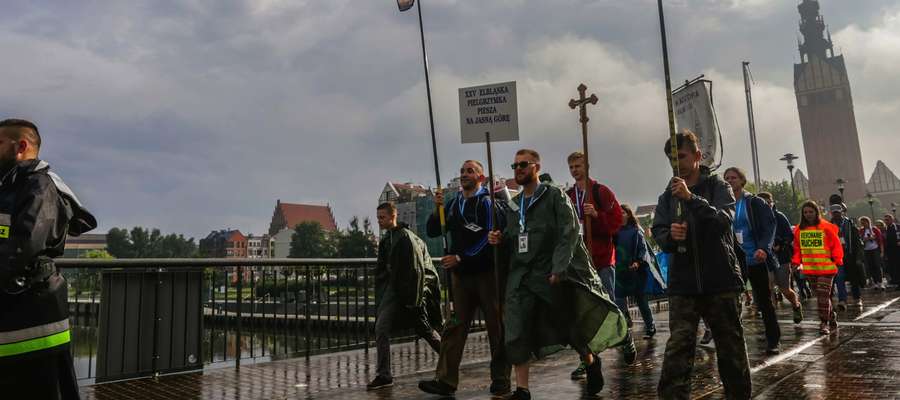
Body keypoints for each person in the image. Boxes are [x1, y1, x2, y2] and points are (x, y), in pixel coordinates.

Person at [487, 149, 629, 399]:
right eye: (514, 165)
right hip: (520, 278)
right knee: (516, 329)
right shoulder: (514, 204)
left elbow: (569, 232)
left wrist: (559, 267)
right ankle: (522, 389)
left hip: (550, 273)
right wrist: (498, 238)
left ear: (536, 167)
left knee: (568, 326)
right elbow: (512, 236)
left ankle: (589, 359)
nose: (518, 169)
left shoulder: (554, 196)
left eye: (523, 164)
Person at [0, 119, 97, 400]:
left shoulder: (40, 186)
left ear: (20, 146)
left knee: (44, 386)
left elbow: (24, 245)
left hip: (33, 313)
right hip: (14, 308)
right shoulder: (11, 186)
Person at [652, 131, 751, 399]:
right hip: (683, 283)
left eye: (681, 156)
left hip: (719, 280)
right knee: (678, 350)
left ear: (697, 156)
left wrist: (691, 199)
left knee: (730, 347)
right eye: (671, 158)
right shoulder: (667, 196)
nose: (677, 163)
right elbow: (657, 231)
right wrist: (670, 236)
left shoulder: (719, 187)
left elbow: (723, 221)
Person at [418, 160, 511, 397]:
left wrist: (461, 258)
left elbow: (488, 240)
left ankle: (501, 378)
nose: (464, 174)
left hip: (486, 276)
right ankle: (446, 380)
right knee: (455, 327)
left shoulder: (488, 203)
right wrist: (436, 209)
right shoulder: (452, 204)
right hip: (461, 279)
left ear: (481, 178)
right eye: (461, 171)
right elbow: (433, 230)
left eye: (470, 171)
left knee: (496, 327)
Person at [564, 151, 635, 380]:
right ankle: (588, 359)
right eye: (572, 167)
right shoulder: (568, 196)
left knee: (610, 305)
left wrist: (596, 215)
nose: (575, 170)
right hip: (581, 263)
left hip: (603, 259)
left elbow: (616, 223)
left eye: (578, 165)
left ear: (587, 165)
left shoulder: (601, 192)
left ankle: (625, 339)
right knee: (581, 314)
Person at [367, 202, 442, 390]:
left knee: (424, 329)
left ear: (393, 216)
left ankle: (451, 358)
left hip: (410, 293)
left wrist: (414, 300)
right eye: (377, 218)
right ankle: (384, 375)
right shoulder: (387, 240)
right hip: (395, 290)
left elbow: (415, 272)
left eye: (382, 217)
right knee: (381, 328)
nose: (379, 221)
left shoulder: (406, 239)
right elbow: (383, 269)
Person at [722, 167, 782, 354]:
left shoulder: (754, 202)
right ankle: (733, 343)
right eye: (727, 178)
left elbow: (769, 225)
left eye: (733, 177)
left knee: (764, 300)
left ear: (742, 180)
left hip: (755, 258)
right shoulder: (723, 205)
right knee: (729, 302)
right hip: (734, 261)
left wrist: (764, 248)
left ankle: (773, 340)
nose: (730, 181)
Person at [792, 201, 843, 334]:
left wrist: (838, 260)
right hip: (810, 269)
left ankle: (823, 323)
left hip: (827, 268)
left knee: (822, 296)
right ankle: (831, 317)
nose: (808, 214)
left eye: (811, 212)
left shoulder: (826, 227)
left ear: (816, 212)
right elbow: (798, 249)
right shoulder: (798, 229)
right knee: (821, 296)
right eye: (805, 212)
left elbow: (836, 245)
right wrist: (796, 262)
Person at [757, 191, 805, 323]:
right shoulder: (757, 219)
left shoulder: (779, 216)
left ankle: (796, 305)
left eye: (767, 202)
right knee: (768, 287)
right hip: (765, 257)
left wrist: (781, 244)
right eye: (762, 203)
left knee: (784, 289)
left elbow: (790, 236)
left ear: (772, 203)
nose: (765, 205)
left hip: (781, 258)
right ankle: (771, 316)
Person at [614, 204, 656, 338]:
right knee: (620, 300)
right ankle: (625, 327)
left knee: (641, 301)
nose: (621, 215)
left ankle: (650, 327)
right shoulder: (615, 232)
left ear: (629, 214)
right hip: (621, 272)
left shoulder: (636, 231)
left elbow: (643, 250)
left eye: (623, 212)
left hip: (636, 272)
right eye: (619, 213)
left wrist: (638, 262)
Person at [829, 202, 866, 309]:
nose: (836, 215)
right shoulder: (829, 225)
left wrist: (859, 257)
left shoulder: (850, 223)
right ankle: (842, 300)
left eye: (838, 212)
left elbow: (857, 241)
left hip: (850, 255)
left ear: (841, 212)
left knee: (854, 278)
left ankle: (857, 298)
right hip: (837, 257)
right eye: (834, 213)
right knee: (839, 278)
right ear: (831, 213)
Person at [859, 216, 886, 290]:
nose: (863, 224)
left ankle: (881, 282)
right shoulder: (861, 230)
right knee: (870, 267)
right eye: (862, 223)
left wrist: (882, 251)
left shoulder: (875, 229)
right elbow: (860, 240)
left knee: (877, 266)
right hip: (866, 250)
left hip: (875, 249)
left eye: (864, 222)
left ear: (868, 222)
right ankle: (875, 283)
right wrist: (864, 239)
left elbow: (880, 241)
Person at [883, 214, 900, 289]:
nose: (886, 221)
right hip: (890, 251)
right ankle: (896, 281)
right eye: (885, 220)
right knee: (893, 267)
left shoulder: (897, 227)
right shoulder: (886, 229)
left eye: (887, 220)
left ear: (892, 220)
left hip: (897, 250)